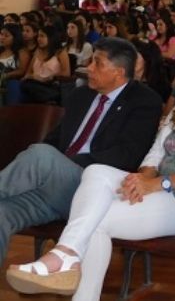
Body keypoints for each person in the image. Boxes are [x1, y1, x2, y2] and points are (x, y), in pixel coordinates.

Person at [6, 53, 175, 298]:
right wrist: (143, 179)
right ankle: (66, 255)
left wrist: (157, 183)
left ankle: (66, 260)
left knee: (96, 221)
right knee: (95, 172)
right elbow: (154, 154)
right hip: (157, 188)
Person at [0, 38, 162, 263]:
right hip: (55, 189)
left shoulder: (144, 101)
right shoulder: (81, 95)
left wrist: (65, 164)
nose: (89, 68)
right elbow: (54, 139)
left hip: (94, 189)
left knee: (41, 155)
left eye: (97, 63)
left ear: (118, 72)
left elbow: (127, 155)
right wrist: (53, 167)